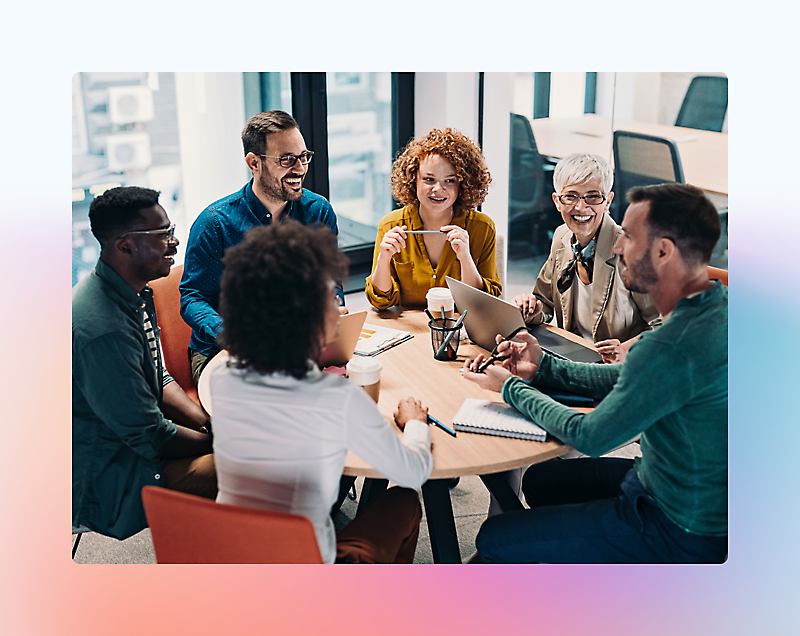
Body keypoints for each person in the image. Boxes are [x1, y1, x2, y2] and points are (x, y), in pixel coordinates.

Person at [462, 183, 727, 564]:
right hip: (663, 482)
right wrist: (542, 366)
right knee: (541, 480)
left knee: (494, 538)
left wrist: (513, 389)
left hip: (679, 525)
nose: (617, 247)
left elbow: (590, 435)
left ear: (664, 251)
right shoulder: (715, 307)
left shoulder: (671, 345)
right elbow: (628, 378)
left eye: (629, 238)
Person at [209, 220, 434, 564]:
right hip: (301, 577)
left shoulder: (223, 378)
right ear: (307, 316)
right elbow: (413, 472)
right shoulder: (334, 398)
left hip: (229, 560)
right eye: (330, 297)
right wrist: (415, 423)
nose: (339, 306)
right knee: (403, 500)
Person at [73, 186, 216, 541]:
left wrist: (207, 423)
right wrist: (222, 442)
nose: (175, 243)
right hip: (116, 472)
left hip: (137, 444)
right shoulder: (102, 328)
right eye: (164, 234)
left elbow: (158, 375)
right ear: (125, 245)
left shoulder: (131, 289)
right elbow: (151, 436)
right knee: (263, 462)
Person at [180, 110, 343, 385]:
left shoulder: (318, 211)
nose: (300, 168)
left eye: (304, 157)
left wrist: (333, 304)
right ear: (254, 163)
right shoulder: (215, 223)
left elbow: (330, 281)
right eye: (287, 159)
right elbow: (192, 298)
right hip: (223, 352)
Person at [512, 153, 659, 364]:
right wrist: (530, 309)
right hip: (572, 359)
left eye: (593, 196)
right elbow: (544, 303)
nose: (581, 207)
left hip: (619, 370)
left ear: (608, 200)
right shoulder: (562, 236)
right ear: (557, 201)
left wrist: (628, 350)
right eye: (571, 196)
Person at [365, 128, 500, 309]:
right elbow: (381, 301)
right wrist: (384, 259)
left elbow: (483, 304)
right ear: (413, 180)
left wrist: (465, 258)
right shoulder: (390, 225)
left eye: (450, 180)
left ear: (463, 183)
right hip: (409, 333)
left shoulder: (482, 228)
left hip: (460, 332)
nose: (438, 189)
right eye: (429, 179)